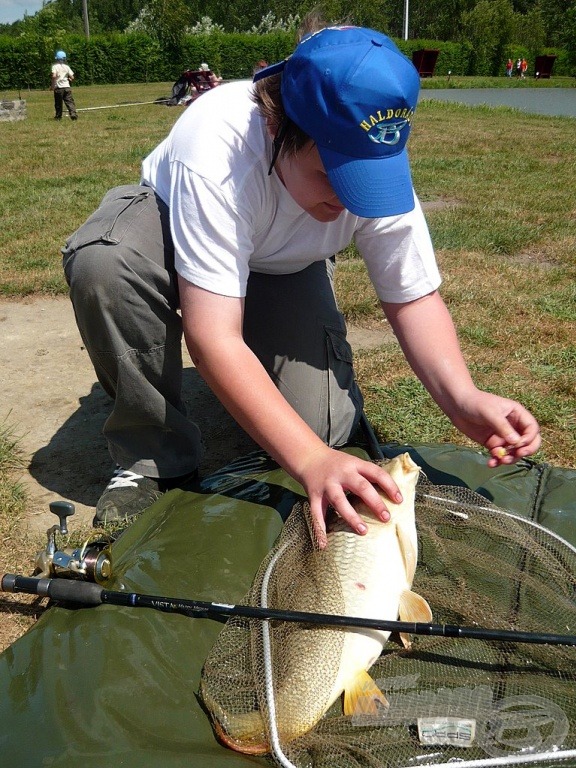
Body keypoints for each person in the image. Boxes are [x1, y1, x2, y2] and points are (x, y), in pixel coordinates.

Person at [62, 18, 541, 545]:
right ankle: (155, 454)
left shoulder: (372, 151)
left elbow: (413, 297)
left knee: (322, 430)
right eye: (328, 174)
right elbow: (213, 335)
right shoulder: (218, 147)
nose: (346, 198)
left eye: (361, 179)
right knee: (105, 265)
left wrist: (462, 398)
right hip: (166, 231)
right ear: (276, 126)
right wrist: (309, 460)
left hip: (283, 264)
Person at [51, 50, 77, 120]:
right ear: (65, 58)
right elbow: (72, 77)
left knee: (58, 103)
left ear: (56, 58)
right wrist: (70, 79)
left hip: (59, 88)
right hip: (67, 87)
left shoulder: (55, 67)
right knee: (69, 102)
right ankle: (73, 114)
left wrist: (52, 85)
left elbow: (54, 76)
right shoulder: (67, 67)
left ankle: (58, 116)